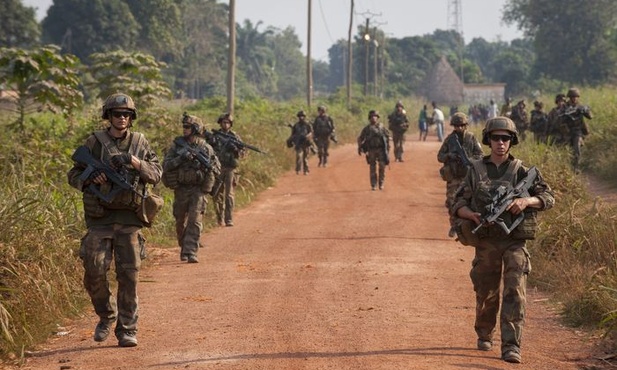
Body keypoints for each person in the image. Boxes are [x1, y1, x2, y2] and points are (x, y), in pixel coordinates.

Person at [451, 116, 555, 364]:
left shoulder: (521, 171)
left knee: (515, 291)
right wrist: (471, 215)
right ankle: (485, 333)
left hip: (514, 241)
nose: (500, 143)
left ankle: (511, 345)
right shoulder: (475, 170)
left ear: (512, 141)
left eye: (505, 138)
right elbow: (458, 203)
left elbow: (548, 197)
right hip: (486, 242)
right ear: (488, 140)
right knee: (486, 292)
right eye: (496, 138)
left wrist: (526, 201)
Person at [67, 93, 162, 347]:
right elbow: (73, 174)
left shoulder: (140, 143)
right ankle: (106, 315)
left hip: (130, 219)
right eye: (117, 114)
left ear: (131, 118)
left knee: (129, 276)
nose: (122, 118)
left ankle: (127, 329)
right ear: (108, 116)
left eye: (126, 115)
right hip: (100, 219)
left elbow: (156, 174)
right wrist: (90, 178)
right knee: (94, 271)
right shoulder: (94, 142)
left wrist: (133, 161)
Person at [162, 113, 220, 263]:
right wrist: (181, 158)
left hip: (198, 190)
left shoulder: (206, 148)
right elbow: (166, 165)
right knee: (180, 221)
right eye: (183, 126)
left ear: (195, 128)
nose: (184, 129)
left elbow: (216, 167)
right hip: (181, 189)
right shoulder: (177, 146)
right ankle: (183, 246)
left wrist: (207, 168)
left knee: (194, 221)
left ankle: (191, 251)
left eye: (187, 127)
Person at [437, 112, 483, 235]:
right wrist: (449, 156)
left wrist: (469, 160)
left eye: (462, 125)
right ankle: (454, 226)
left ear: (466, 125)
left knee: (469, 202)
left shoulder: (471, 138)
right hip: (453, 177)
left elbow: (480, 154)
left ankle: (467, 227)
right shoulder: (450, 139)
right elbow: (440, 156)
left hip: (468, 177)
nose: (459, 128)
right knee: (451, 202)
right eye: (457, 126)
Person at [209, 112, 245, 227]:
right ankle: (219, 217)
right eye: (224, 122)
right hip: (218, 168)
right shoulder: (215, 136)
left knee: (229, 194)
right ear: (220, 123)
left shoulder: (234, 137)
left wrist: (235, 150)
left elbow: (243, 152)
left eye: (228, 122)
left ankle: (229, 219)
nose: (226, 124)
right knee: (216, 194)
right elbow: (209, 149)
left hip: (230, 168)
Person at [357, 110, 390, 190]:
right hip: (371, 150)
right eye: (372, 117)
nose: (373, 118)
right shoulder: (367, 129)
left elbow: (388, 136)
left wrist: (387, 148)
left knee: (382, 166)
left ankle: (381, 183)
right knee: (372, 168)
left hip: (381, 149)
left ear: (377, 118)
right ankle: (373, 185)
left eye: (375, 116)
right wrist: (360, 147)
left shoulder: (382, 127)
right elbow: (360, 138)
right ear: (369, 118)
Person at [563, 88, 592, 172]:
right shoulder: (565, 107)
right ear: (569, 97)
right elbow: (559, 119)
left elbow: (590, 117)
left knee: (577, 148)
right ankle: (568, 166)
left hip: (577, 131)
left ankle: (576, 167)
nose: (574, 98)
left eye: (575, 97)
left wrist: (585, 111)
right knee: (568, 150)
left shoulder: (580, 106)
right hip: (567, 132)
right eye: (572, 97)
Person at [287, 110, 314, 175]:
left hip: (306, 143)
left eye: (302, 116)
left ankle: (306, 170)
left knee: (305, 158)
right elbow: (293, 134)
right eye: (300, 116)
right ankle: (298, 169)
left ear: (304, 117)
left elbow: (311, 132)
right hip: (299, 144)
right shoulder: (296, 125)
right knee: (299, 156)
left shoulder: (308, 125)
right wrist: (290, 140)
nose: (301, 117)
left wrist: (308, 136)